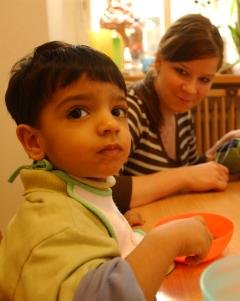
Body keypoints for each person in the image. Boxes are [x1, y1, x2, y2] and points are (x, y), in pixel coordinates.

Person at [0, 41, 213, 300]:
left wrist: (112, 225)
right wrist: (168, 240)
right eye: (77, 112)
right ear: (34, 141)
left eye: (117, 111)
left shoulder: (82, 188)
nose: (110, 124)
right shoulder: (53, 223)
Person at [114, 14, 240, 214]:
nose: (191, 89)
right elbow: (102, 189)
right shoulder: (130, 111)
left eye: (204, 79)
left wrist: (214, 153)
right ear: (159, 62)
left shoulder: (182, 114)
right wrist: (185, 176)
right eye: (182, 72)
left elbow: (189, 171)